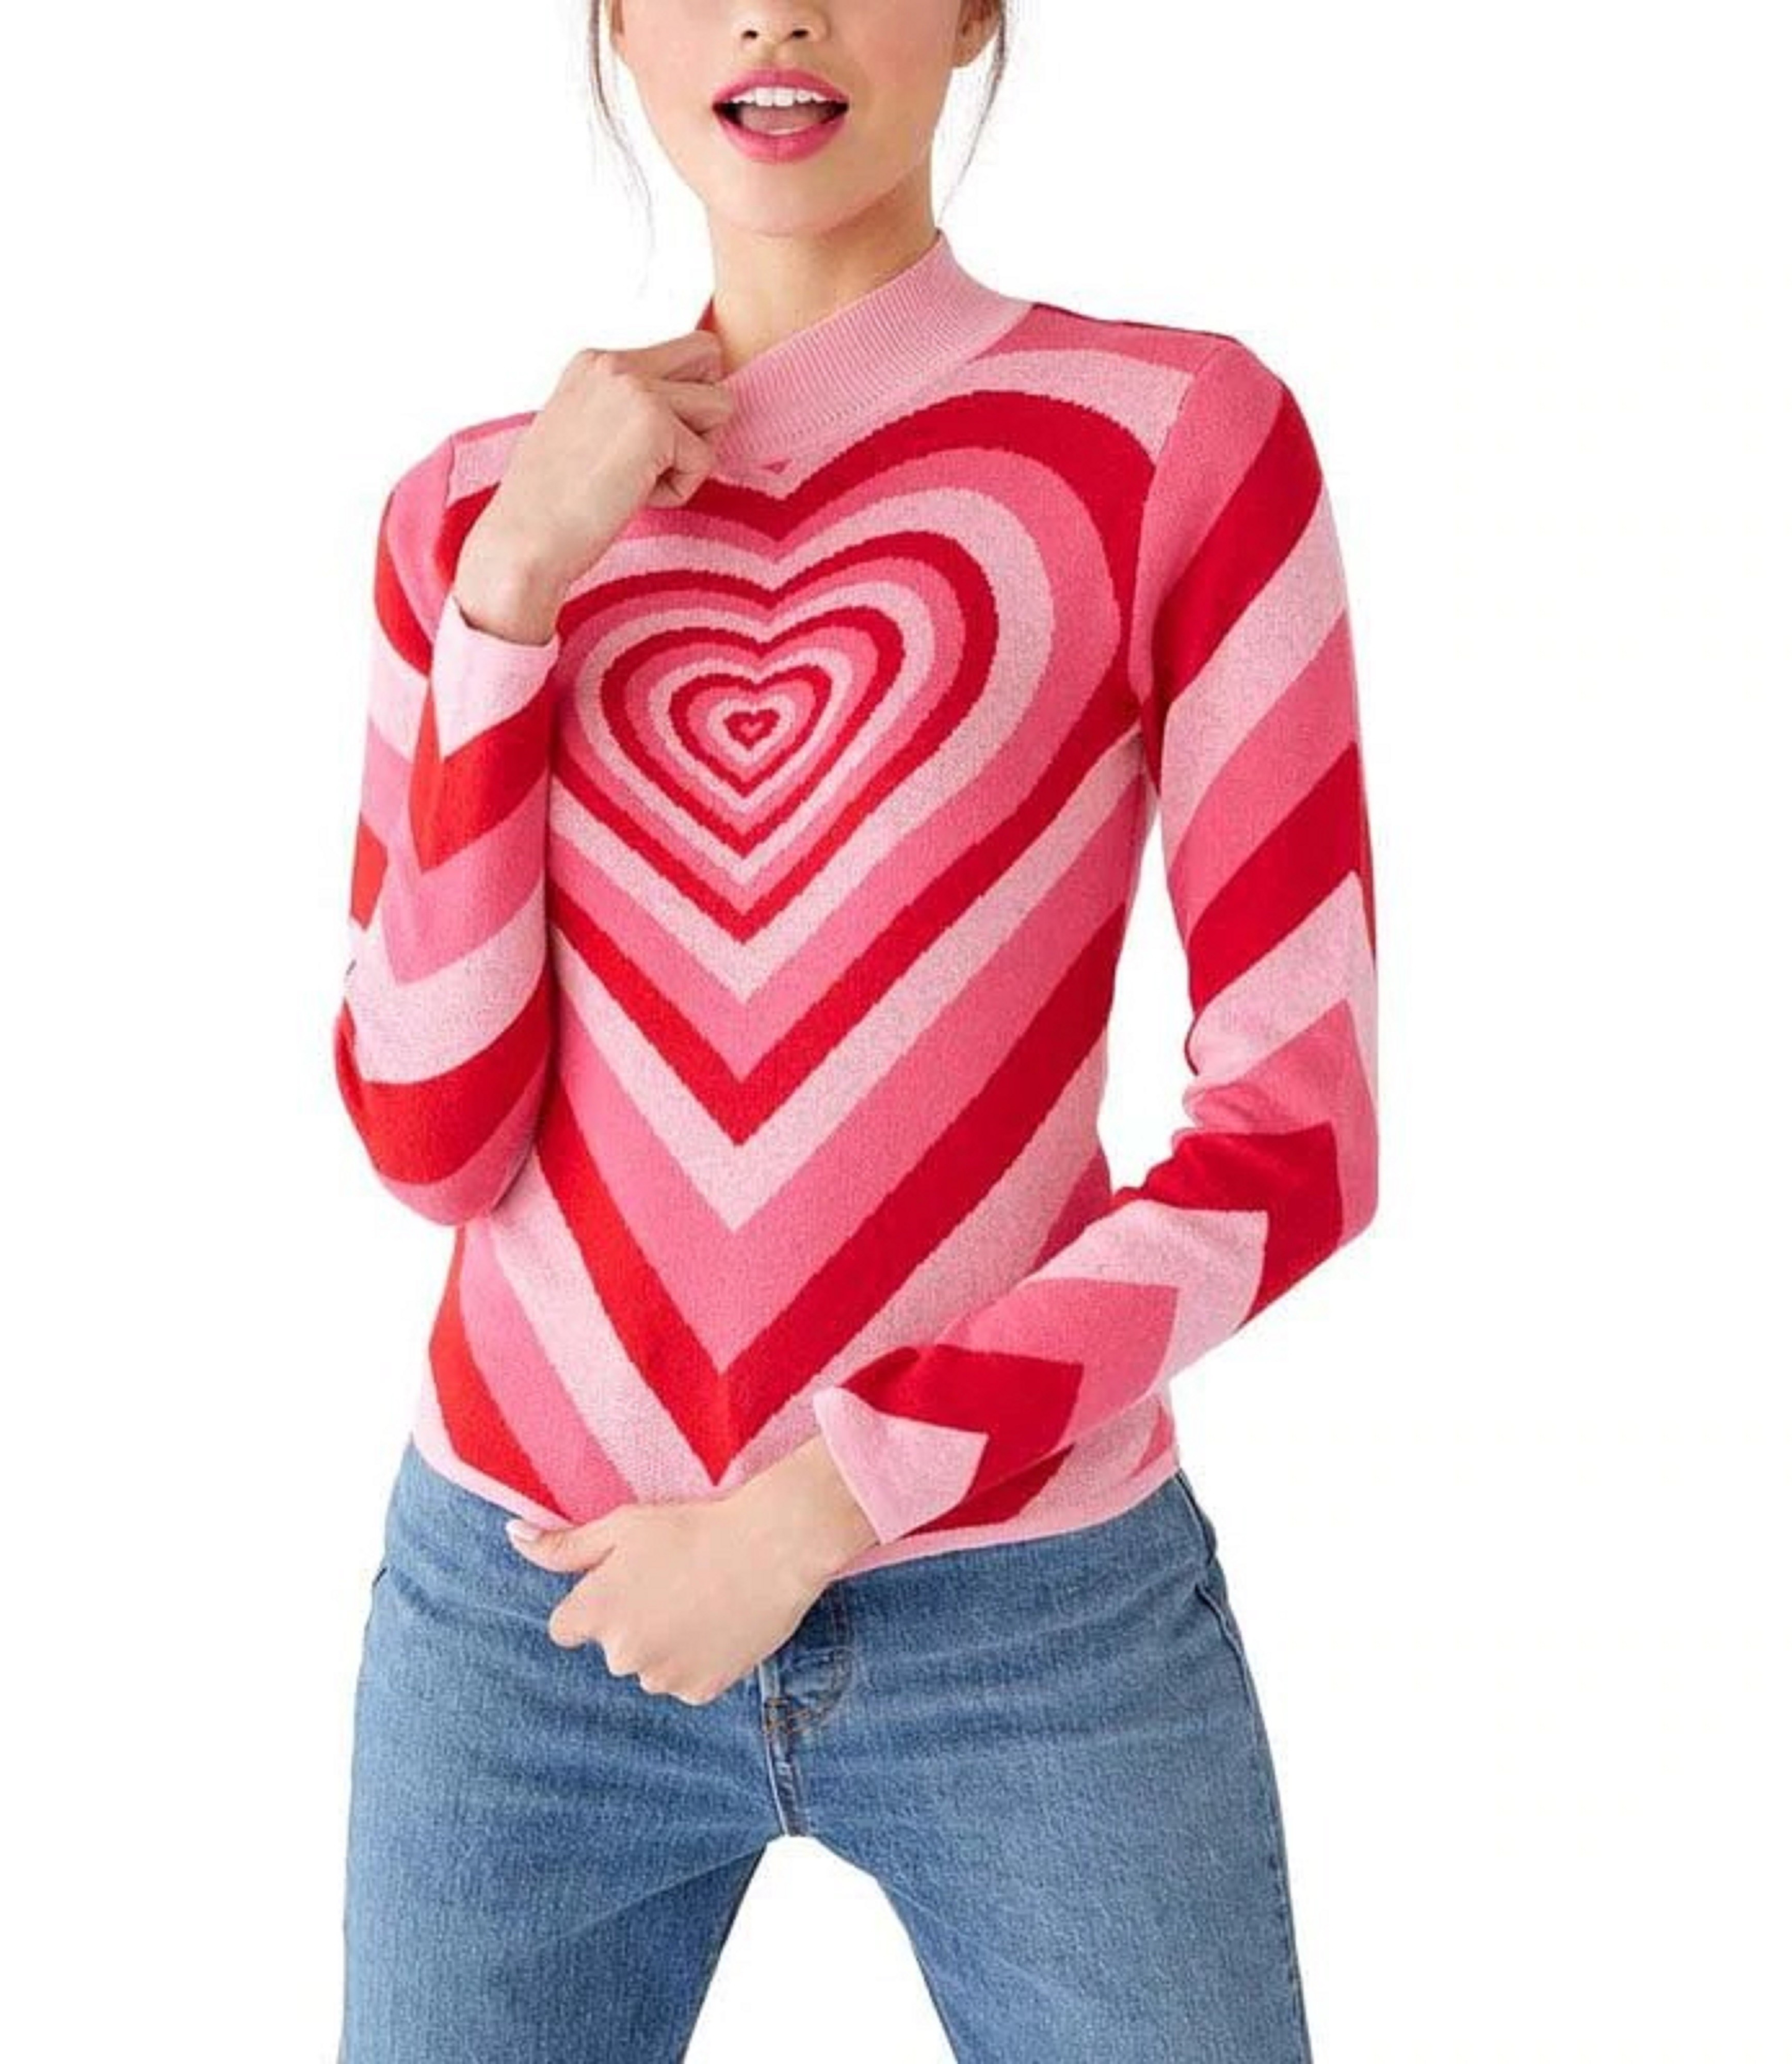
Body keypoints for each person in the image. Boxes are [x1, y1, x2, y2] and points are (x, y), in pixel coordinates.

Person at [331, 3, 1378, 2057]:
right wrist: (514, 592)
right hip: (528, 1615)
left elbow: (1299, 1134)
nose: (775, 13)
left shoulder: (1172, 441)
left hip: (1032, 1625)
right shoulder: (467, 509)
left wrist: (816, 1508)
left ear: (979, 11)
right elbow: (429, 1140)